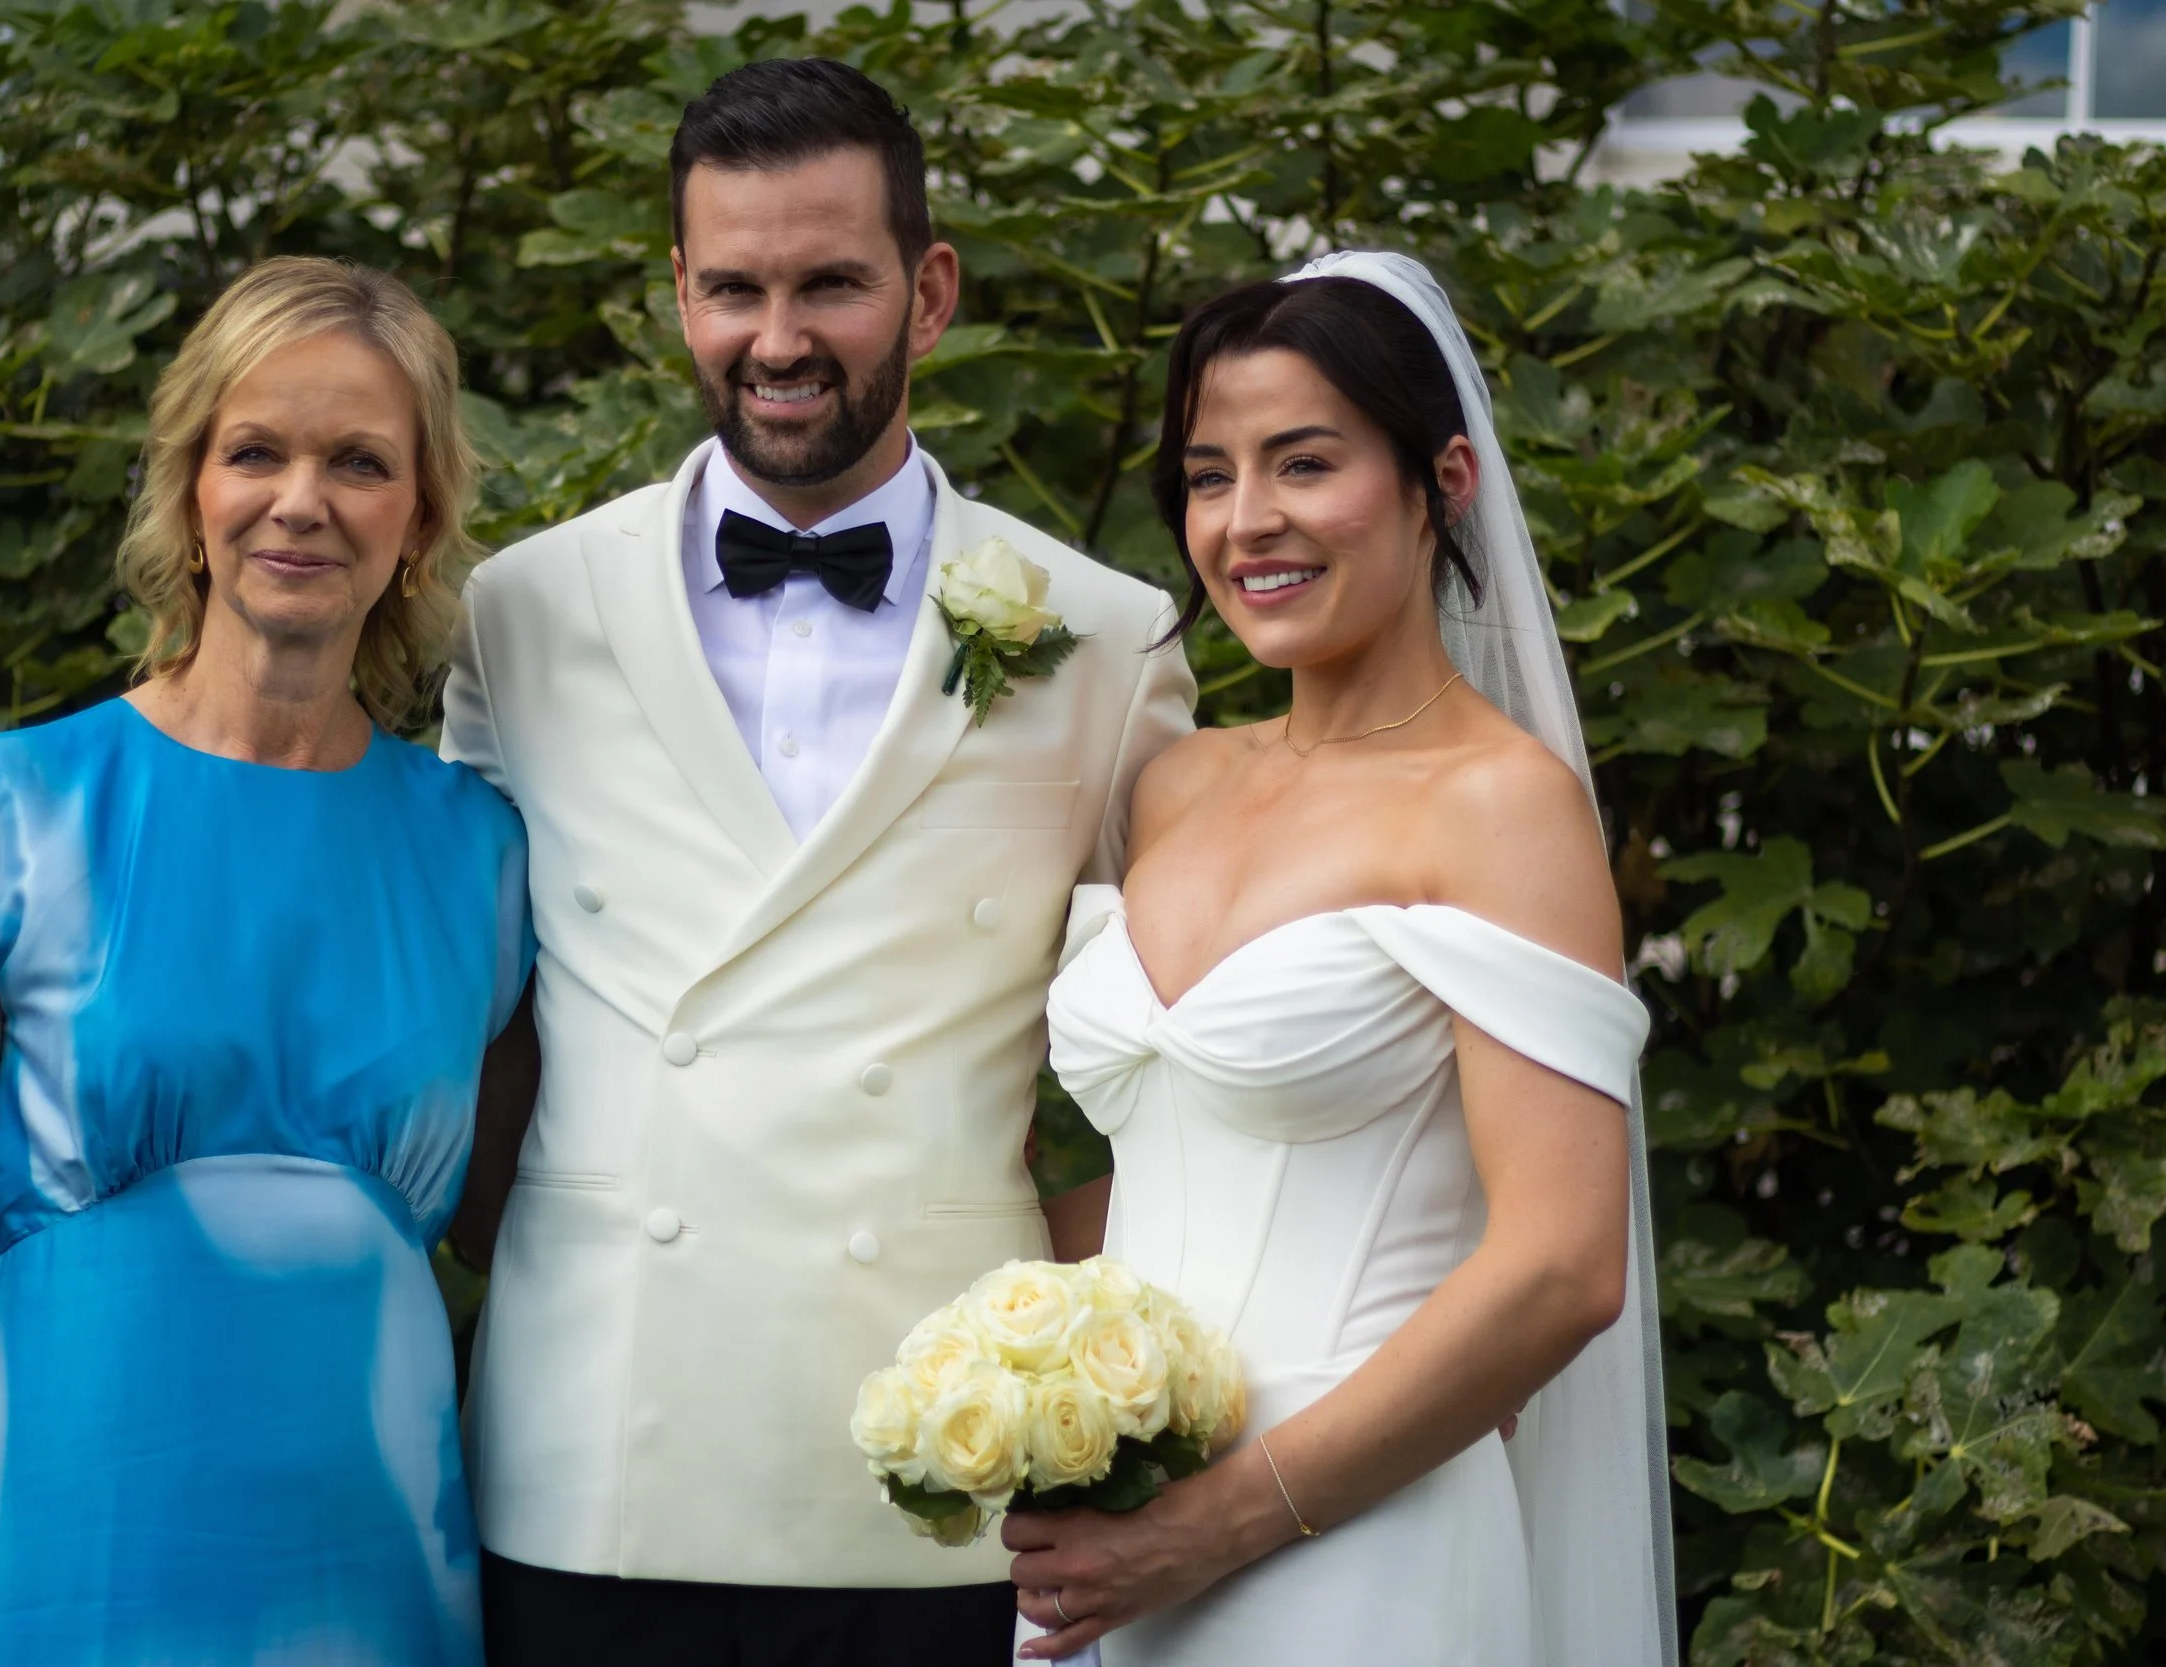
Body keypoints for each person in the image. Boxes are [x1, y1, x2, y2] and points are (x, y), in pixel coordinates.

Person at [438, 57, 1195, 1667]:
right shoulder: (520, 611)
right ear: (678, 293)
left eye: (830, 283)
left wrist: (1141, 1406)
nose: (777, 340)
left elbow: (1170, 1068)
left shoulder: (1106, 640)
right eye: (734, 288)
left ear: (927, 294)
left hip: (942, 1477)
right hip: (597, 1454)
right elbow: (447, 999)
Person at [0, 256, 534, 1667]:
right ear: (189, 487)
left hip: (377, 1564)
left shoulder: (485, 858)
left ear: (417, 517)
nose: (302, 499)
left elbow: (521, 1228)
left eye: (359, 460)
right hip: (66, 1558)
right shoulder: (3, 817)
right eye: (254, 451)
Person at [1004, 254, 1672, 1666]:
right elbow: (1202, 1153)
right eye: (1207, 474)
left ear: (1444, 478)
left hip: (1359, 1534)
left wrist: (1224, 1520)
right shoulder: (1171, 785)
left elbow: (1561, 1263)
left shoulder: (1501, 806)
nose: (1248, 521)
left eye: (1305, 463)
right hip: (1117, 1529)